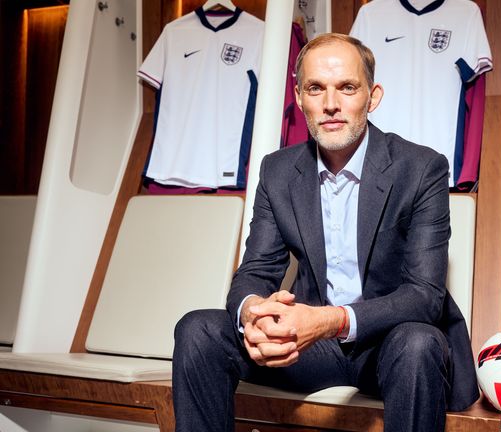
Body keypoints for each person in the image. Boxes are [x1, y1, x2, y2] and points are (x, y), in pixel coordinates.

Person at [172, 33, 478, 432]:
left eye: (347, 87)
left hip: (387, 345)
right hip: (309, 349)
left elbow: (424, 297)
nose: (331, 104)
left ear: (373, 96)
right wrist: (253, 313)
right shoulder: (278, 171)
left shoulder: (421, 168)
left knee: (419, 343)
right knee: (197, 330)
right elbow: (256, 271)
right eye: (316, 88)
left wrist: (328, 320)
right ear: (299, 98)